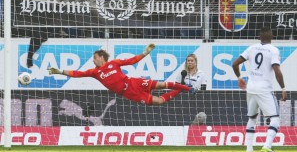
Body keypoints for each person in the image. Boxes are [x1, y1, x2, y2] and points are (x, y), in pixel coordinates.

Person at [48, 44, 198, 105]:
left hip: (133, 82)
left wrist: (146, 52)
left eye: (94, 57)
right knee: (159, 101)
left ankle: (188, 88)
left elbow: (132, 60)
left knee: (160, 84)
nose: (93, 60)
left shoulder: (115, 62)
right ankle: (182, 88)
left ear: (101, 57)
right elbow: (76, 73)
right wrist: (60, 71)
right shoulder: (94, 72)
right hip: (129, 93)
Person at [232, 27, 287, 152]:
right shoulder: (273, 50)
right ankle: (267, 146)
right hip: (264, 89)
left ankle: (249, 150)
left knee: (252, 118)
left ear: (259, 37)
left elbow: (235, 64)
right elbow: (277, 70)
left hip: (251, 87)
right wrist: (283, 88)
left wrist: (239, 78)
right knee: (275, 119)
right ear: (272, 37)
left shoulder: (252, 48)